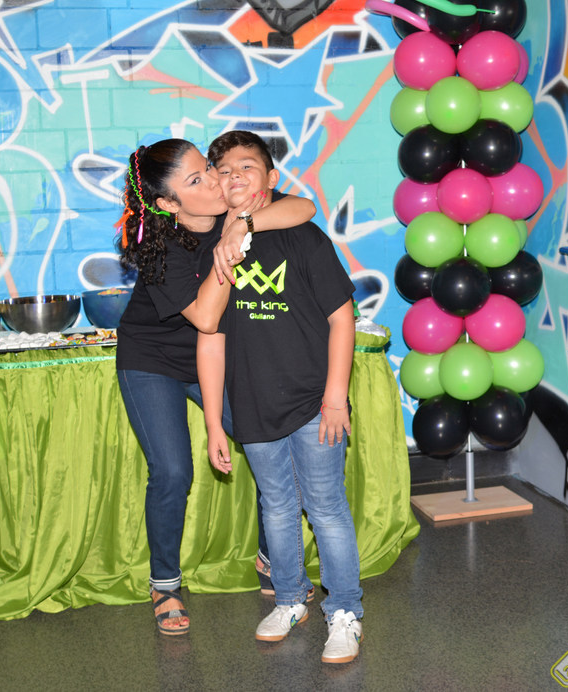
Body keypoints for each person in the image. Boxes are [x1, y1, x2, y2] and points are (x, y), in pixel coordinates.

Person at [115, 138, 316, 636]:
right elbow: (206, 317)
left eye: (207, 167)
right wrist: (231, 247)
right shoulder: (158, 250)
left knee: (269, 440)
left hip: (220, 358)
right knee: (172, 471)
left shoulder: (235, 209)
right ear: (168, 204)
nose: (214, 181)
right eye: (196, 180)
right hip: (154, 361)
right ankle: (164, 583)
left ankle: (272, 558)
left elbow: (304, 207)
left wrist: (243, 224)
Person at [198, 130, 364, 663]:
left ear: (271, 178)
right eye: (225, 170)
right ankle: (290, 599)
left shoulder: (303, 236)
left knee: (326, 507)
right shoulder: (214, 249)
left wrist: (335, 398)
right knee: (276, 507)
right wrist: (216, 421)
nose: (235, 176)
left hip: (314, 403)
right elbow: (212, 337)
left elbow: (342, 319)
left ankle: (345, 611)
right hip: (253, 405)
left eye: (247, 166)